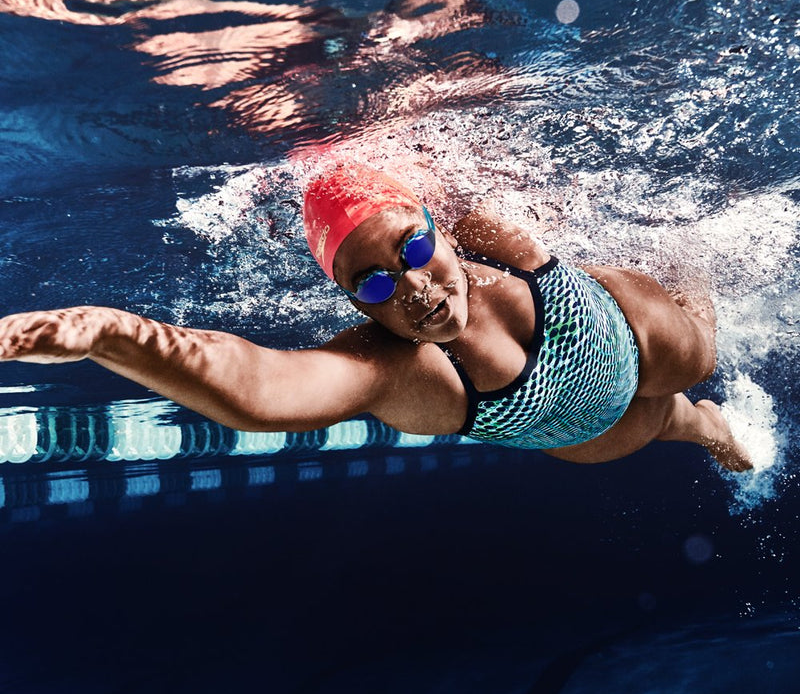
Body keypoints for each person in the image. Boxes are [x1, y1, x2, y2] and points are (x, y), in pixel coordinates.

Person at [0, 162, 752, 471]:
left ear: (444, 229)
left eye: (416, 245)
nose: (416, 288)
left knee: (695, 360)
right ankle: (703, 424)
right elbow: (260, 387)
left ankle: (697, 255)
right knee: (658, 425)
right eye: (375, 285)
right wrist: (108, 332)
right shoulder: (395, 367)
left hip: (624, 328)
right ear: (354, 303)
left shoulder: (490, 230)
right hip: (580, 429)